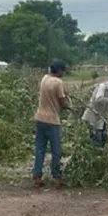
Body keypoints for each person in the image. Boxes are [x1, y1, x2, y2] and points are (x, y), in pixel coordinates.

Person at [33, 61, 69, 189]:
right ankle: (57, 177)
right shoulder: (58, 83)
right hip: (52, 120)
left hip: (40, 119)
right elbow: (63, 103)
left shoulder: (44, 78)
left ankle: (37, 177)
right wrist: (70, 108)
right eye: (63, 71)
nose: (64, 73)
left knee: (40, 149)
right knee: (56, 151)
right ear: (59, 71)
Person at [82, 73, 108, 147]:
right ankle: (96, 151)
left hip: (102, 114)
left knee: (103, 134)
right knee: (96, 135)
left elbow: (107, 102)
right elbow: (98, 99)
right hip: (94, 113)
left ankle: (100, 149)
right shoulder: (102, 86)